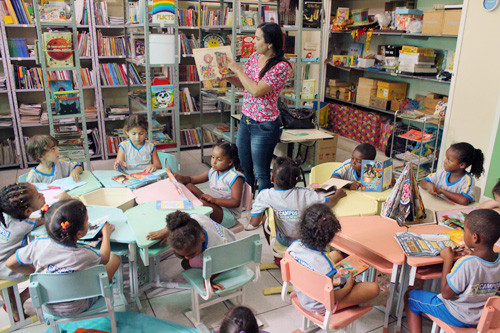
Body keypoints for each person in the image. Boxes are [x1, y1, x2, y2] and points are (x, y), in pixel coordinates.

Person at [5, 199, 121, 317]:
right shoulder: (85, 254)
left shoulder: (37, 245)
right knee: (115, 258)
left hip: (48, 306)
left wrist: (34, 273)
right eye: (87, 220)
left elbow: (10, 263)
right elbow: (105, 258)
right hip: (79, 305)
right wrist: (106, 234)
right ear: (79, 234)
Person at [406, 209, 500, 331]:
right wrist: (473, 253)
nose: (463, 233)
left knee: (411, 296)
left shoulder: (467, 264)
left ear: (475, 238)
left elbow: (446, 294)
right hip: (482, 316)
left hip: (457, 315)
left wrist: (448, 259)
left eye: (465, 230)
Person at [226, 22, 292, 192]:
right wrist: (227, 77)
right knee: (244, 167)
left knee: (262, 172)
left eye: (257, 38)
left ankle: (263, 211)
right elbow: (245, 84)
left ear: (269, 43)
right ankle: (249, 206)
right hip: (246, 119)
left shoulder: (281, 67)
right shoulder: (255, 57)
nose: (253, 42)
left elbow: (256, 91)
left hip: (264, 126)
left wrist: (237, 69)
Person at [286, 204, 379, 315]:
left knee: (336, 255)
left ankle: (353, 294)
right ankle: (356, 301)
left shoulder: (293, 248)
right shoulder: (325, 266)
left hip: (304, 293)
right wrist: (348, 286)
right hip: (321, 306)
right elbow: (330, 298)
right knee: (374, 288)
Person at [248, 157, 346, 248]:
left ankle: (275, 252)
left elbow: (255, 223)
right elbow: (329, 203)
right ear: (297, 180)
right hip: (307, 239)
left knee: (266, 218)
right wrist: (337, 195)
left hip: (284, 240)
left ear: (272, 178)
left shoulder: (265, 195)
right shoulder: (306, 194)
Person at [146, 211, 236, 291]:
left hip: (229, 257)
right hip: (230, 241)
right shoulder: (194, 219)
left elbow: (224, 263)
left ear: (202, 238)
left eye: (191, 253)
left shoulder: (213, 248)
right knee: (185, 260)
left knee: (184, 263)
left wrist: (208, 279)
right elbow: (182, 216)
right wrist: (167, 230)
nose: (187, 257)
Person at [170, 139, 245, 228]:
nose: (214, 162)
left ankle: (189, 217)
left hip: (229, 215)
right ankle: (191, 212)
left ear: (229, 162)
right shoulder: (213, 171)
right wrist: (180, 178)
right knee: (189, 186)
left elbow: (235, 202)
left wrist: (214, 200)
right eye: (213, 157)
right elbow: (192, 179)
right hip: (216, 205)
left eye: (219, 159)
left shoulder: (235, 177)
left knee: (202, 204)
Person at [0, 183, 46, 321]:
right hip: (5, 267)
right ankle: (20, 300)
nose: (43, 195)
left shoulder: (5, 215)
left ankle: (12, 307)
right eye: (39, 196)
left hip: (2, 261)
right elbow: (44, 220)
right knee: (43, 271)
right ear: (27, 211)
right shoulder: (23, 225)